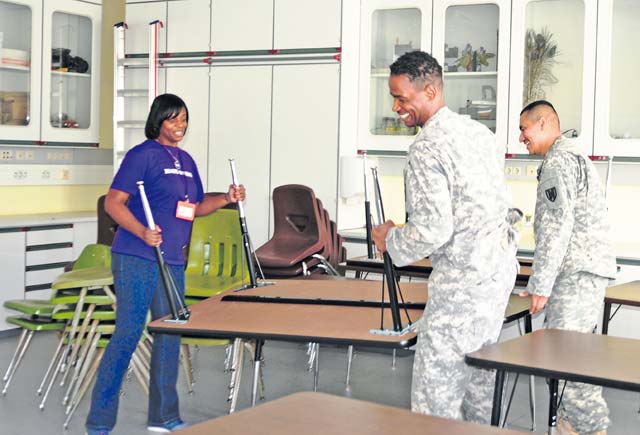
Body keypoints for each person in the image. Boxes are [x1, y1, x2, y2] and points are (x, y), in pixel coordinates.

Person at [371, 50, 520, 423]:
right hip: (494, 281)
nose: (396, 107)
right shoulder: (479, 133)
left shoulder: (427, 146)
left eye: (403, 98)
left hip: (460, 290)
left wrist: (389, 239)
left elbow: (433, 230)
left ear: (432, 90)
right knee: (479, 396)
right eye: (393, 97)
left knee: (434, 406)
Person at [85, 93, 245, 435]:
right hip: (136, 257)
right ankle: (99, 421)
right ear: (158, 121)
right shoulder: (141, 156)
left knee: (170, 335)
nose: (180, 125)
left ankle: (163, 417)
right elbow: (114, 204)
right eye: (173, 119)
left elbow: (192, 208)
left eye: (184, 119)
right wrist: (142, 231)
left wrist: (226, 199)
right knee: (127, 335)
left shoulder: (186, 160)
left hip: (171, 259)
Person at [518, 100, 616, 435]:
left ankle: (591, 429)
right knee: (568, 361)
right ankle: (570, 427)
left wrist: (541, 285)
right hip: (581, 273)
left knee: (569, 363)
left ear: (544, 122)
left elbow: (557, 227)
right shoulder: (569, 156)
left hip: (575, 276)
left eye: (524, 128)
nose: (521, 137)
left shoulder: (559, 161)